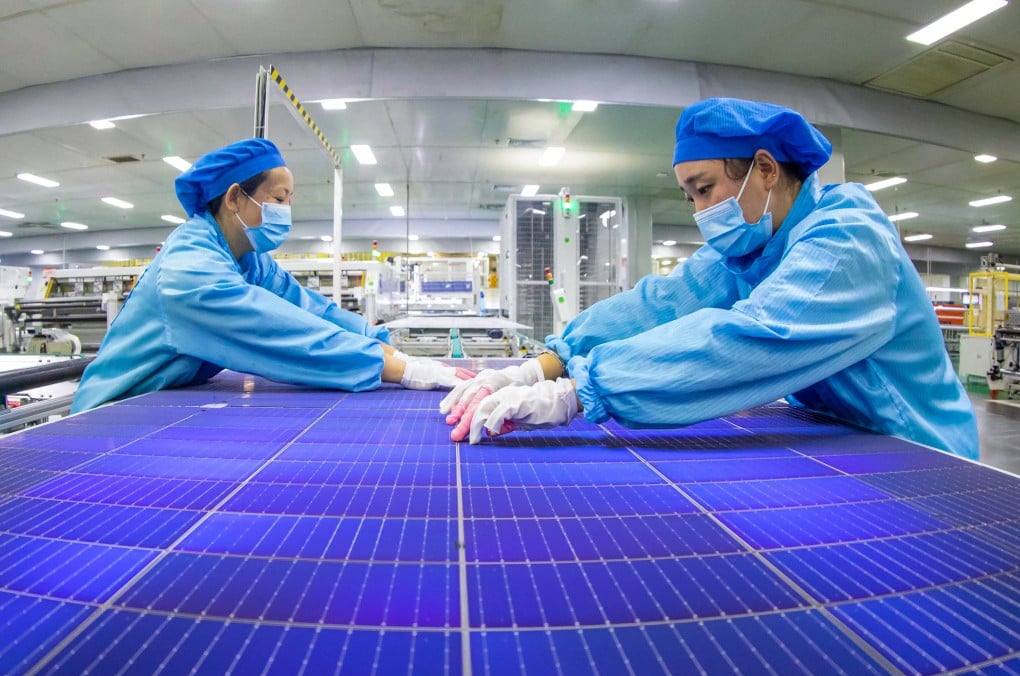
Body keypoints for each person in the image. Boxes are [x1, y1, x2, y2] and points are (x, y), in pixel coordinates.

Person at [441, 97, 978, 459]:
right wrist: (540, 368)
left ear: (766, 170)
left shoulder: (847, 239)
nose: (700, 210)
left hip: (914, 450)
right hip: (840, 436)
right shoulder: (756, 245)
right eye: (690, 196)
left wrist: (580, 391)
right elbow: (664, 302)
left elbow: (754, 336)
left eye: (704, 188)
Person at [72, 138, 469, 413]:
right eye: (278, 199)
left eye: (290, 202)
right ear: (233, 198)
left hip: (158, 408)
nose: (286, 211)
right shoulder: (188, 271)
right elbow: (278, 330)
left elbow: (309, 310)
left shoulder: (247, 257)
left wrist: (383, 343)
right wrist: (401, 370)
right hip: (110, 418)